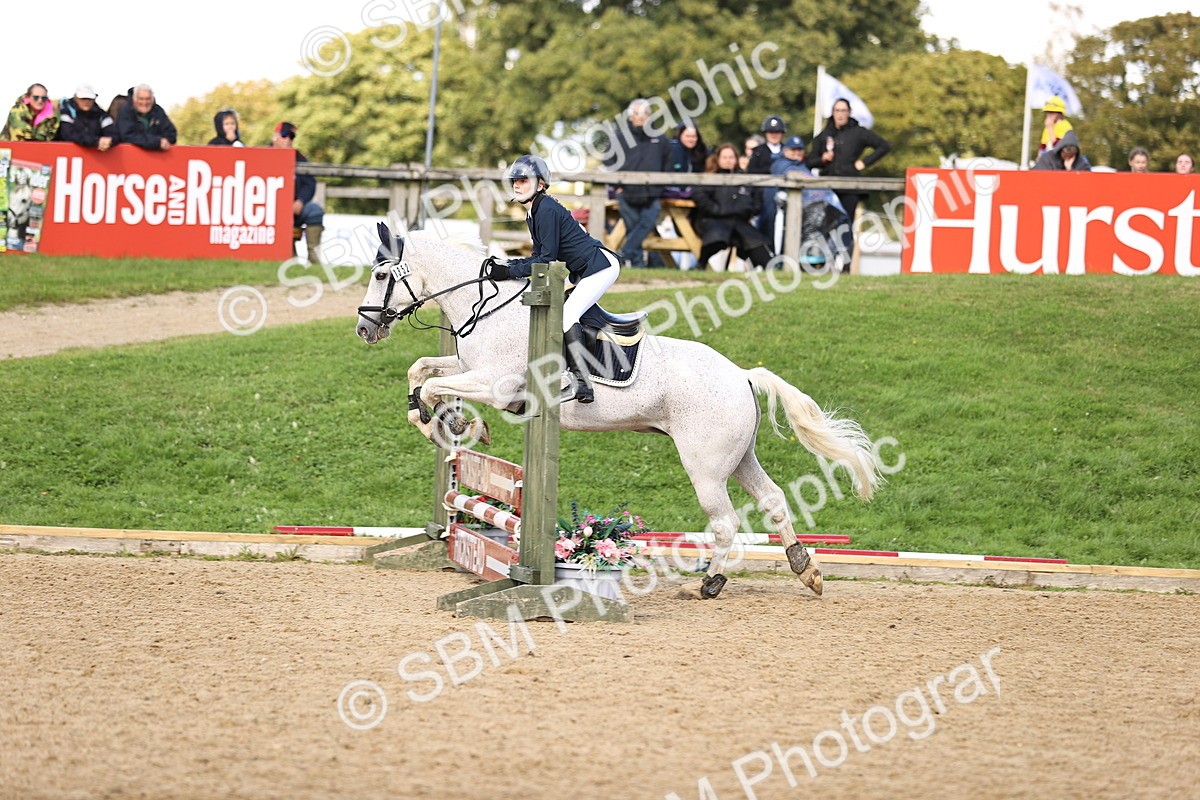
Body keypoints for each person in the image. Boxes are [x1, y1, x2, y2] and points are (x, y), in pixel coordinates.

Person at [487, 155, 621, 404]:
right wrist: (508, 265)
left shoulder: (545, 209)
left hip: (600, 267)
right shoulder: (534, 212)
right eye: (515, 180)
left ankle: (582, 383)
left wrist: (507, 272)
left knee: (567, 315)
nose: (517, 185)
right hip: (588, 269)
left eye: (523, 180)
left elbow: (547, 261)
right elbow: (538, 256)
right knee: (570, 313)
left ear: (540, 185)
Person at [807, 98, 891, 246]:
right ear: (832, 113)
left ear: (849, 112)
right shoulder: (824, 135)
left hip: (849, 187)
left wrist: (864, 163)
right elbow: (809, 161)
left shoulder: (858, 132)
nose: (840, 114)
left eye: (843, 110)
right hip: (828, 188)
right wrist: (823, 159)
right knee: (825, 225)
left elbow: (884, 146)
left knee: (845, 225)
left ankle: (845, 264)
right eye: (837, 111)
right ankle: (824, 263)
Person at [764, 135, 852, 270]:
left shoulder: (802, 165)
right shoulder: (781, 164)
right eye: (793, 149)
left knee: (838, 218)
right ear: (786, 150)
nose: (797, 152)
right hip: (792, 211)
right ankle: (804, 261)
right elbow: (794, 178)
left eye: (800, 149)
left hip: (814, 209)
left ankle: (828, 260)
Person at [606, 99, 671, 267]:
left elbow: (668, 165)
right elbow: (608, 162)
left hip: (652, 194)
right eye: (637, 113)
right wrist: (617, 185)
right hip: (626, 194)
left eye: (645, 113)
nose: (641, 117)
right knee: (635, 228)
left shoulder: (661, 139)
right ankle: (641, 265)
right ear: (630, 117)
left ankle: (625, 253)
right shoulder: (620, 137)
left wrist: (660, 187)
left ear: (649, 116)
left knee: (643, 225)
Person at [692, 143, 774, 272]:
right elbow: (699, 196)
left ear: (736, 159)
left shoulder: (744, 179)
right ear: (718, 159)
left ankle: (769, 272)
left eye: (731, 157)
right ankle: (701, 264)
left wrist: (747, 210)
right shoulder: (709, 177)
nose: (728, 160)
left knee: (756, 245)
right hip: (713, 221)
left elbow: (755, 201)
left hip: (740, 223)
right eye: (724, 157)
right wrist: (717, 210)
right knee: (717, 239)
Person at [272, 121, 325, 264]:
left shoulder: (299, 157)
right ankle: (291, 257)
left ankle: (314, 258)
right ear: (275, 137)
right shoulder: (263, 154)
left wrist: (301, 200)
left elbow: (310, 183)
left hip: (294, 210)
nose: (288, 139)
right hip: (270, 212)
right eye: (284, 135)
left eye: (291, 136)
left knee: (315, 210)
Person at [116, 85, 177, 151]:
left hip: (157, 158)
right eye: (141, 99)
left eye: (148, 99)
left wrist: (164, 142)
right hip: (129, 156)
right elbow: (127, 136)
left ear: (152, 99)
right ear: (134, 99)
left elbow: (171, 134)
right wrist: (156, 142)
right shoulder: (125, 111)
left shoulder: (158, 111)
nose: (144, 102)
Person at [55, 84, 115, 151]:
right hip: (67, 155)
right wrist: (96, 141)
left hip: (94, 159)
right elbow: (67, 134)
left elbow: (114, 135)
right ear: (76, 98)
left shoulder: (102, 115)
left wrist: (108, 142)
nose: (86, 101)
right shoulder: (66, 112)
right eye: (83, 98)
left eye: (89, 99)